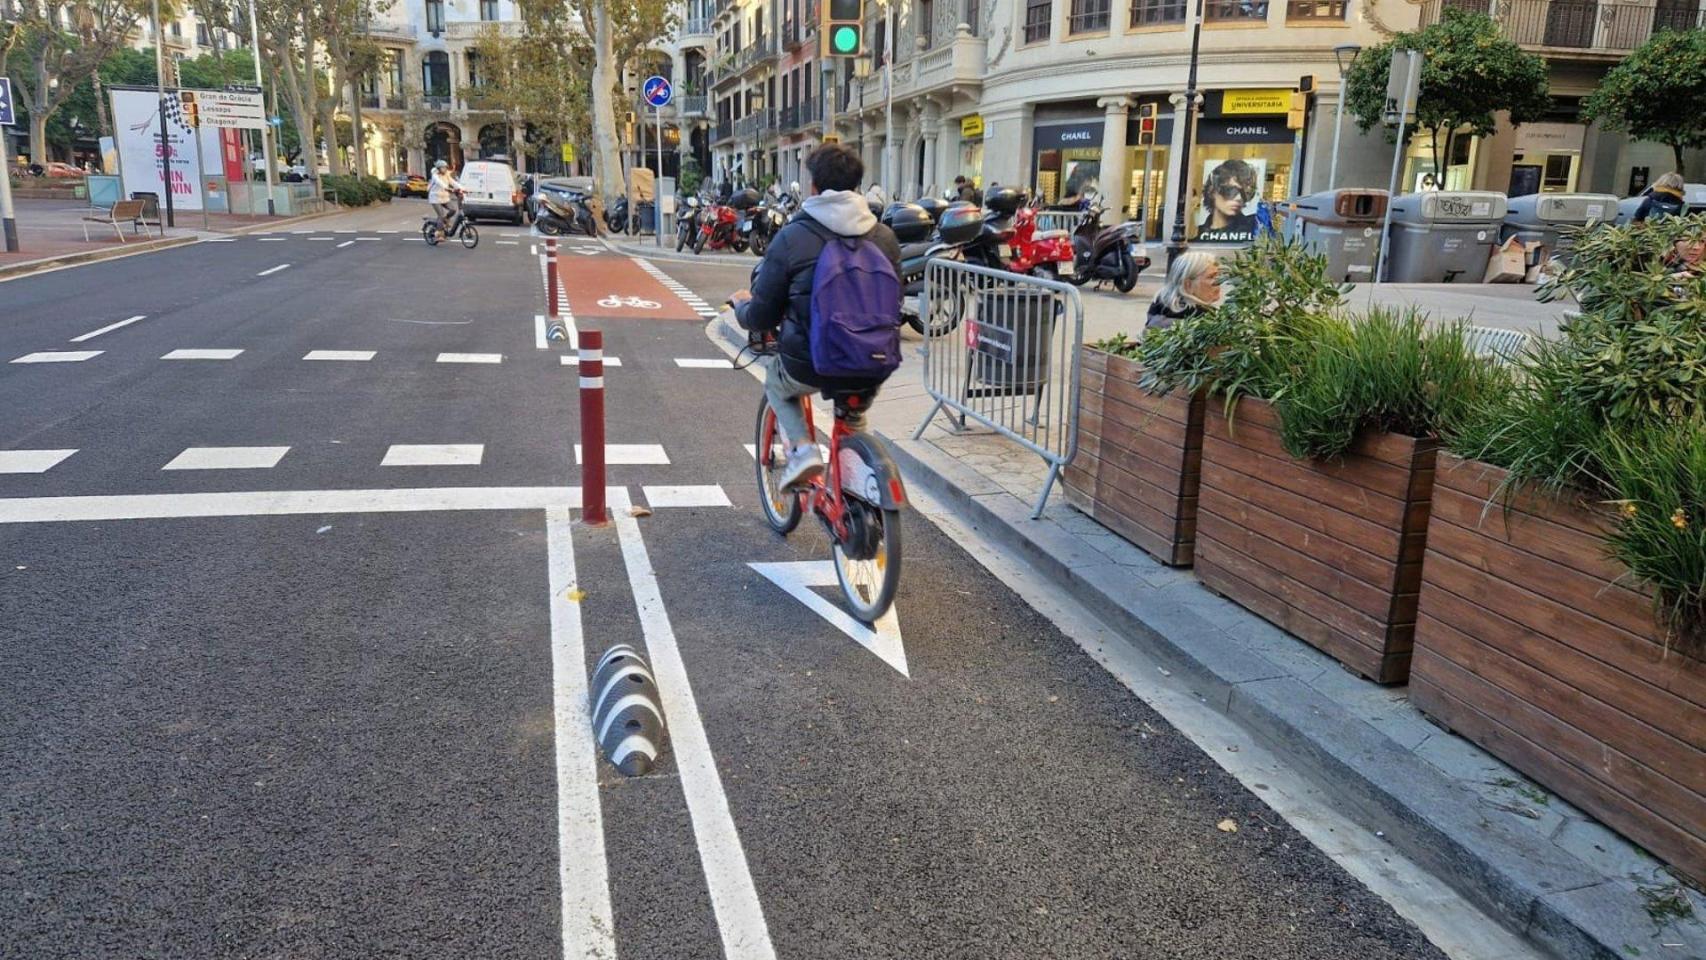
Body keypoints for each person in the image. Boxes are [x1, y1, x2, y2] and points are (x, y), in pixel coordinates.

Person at [733, 144, 904, 490]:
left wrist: (741, 308)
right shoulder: (884, 237)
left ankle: (801, 451)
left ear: (814, 186)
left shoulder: (792, 237)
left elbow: (763, 313)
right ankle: (857, 492)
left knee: (776, 381)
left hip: (810, 363)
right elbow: (895, 299)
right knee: (852, 412)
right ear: (856, 185)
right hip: (873, 360)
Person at [1146, 251, 1222, 332]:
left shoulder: (1160, 311)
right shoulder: (1204, 324)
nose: (1219, 281)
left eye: (1218, 275)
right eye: (1211, 277)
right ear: (1188, 285)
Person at [1196, 159, 1259, 242]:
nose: (1239, 198)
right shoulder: (1197, 233)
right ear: (1212, 191)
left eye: (1245, 193)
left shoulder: (1253, 228)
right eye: (1230, 190)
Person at [427, 159, 463, 235]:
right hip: (435, 198)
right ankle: (439, 234)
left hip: (444, 198)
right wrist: (446, 188)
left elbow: (453, 182)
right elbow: (440, 183)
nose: (445, 169)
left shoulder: (447, 175)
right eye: (442, 168)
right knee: (441, 215)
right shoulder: (435, 176)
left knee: (453, 209)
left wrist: (462, 188)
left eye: (445, 167)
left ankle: (446, 219)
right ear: (438, 169)